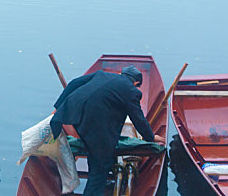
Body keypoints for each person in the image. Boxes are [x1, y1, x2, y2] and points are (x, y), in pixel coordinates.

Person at [50, 65, 165, 196]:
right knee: (100, 166)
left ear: (120, 73)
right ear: (136, 83)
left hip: (73, 114)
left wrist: (57, 107)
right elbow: (138, 119)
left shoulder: (101, 74)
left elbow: (74, 83)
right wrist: (151, 137)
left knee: (94, 148)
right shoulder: (132, 91)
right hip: (93, 123)